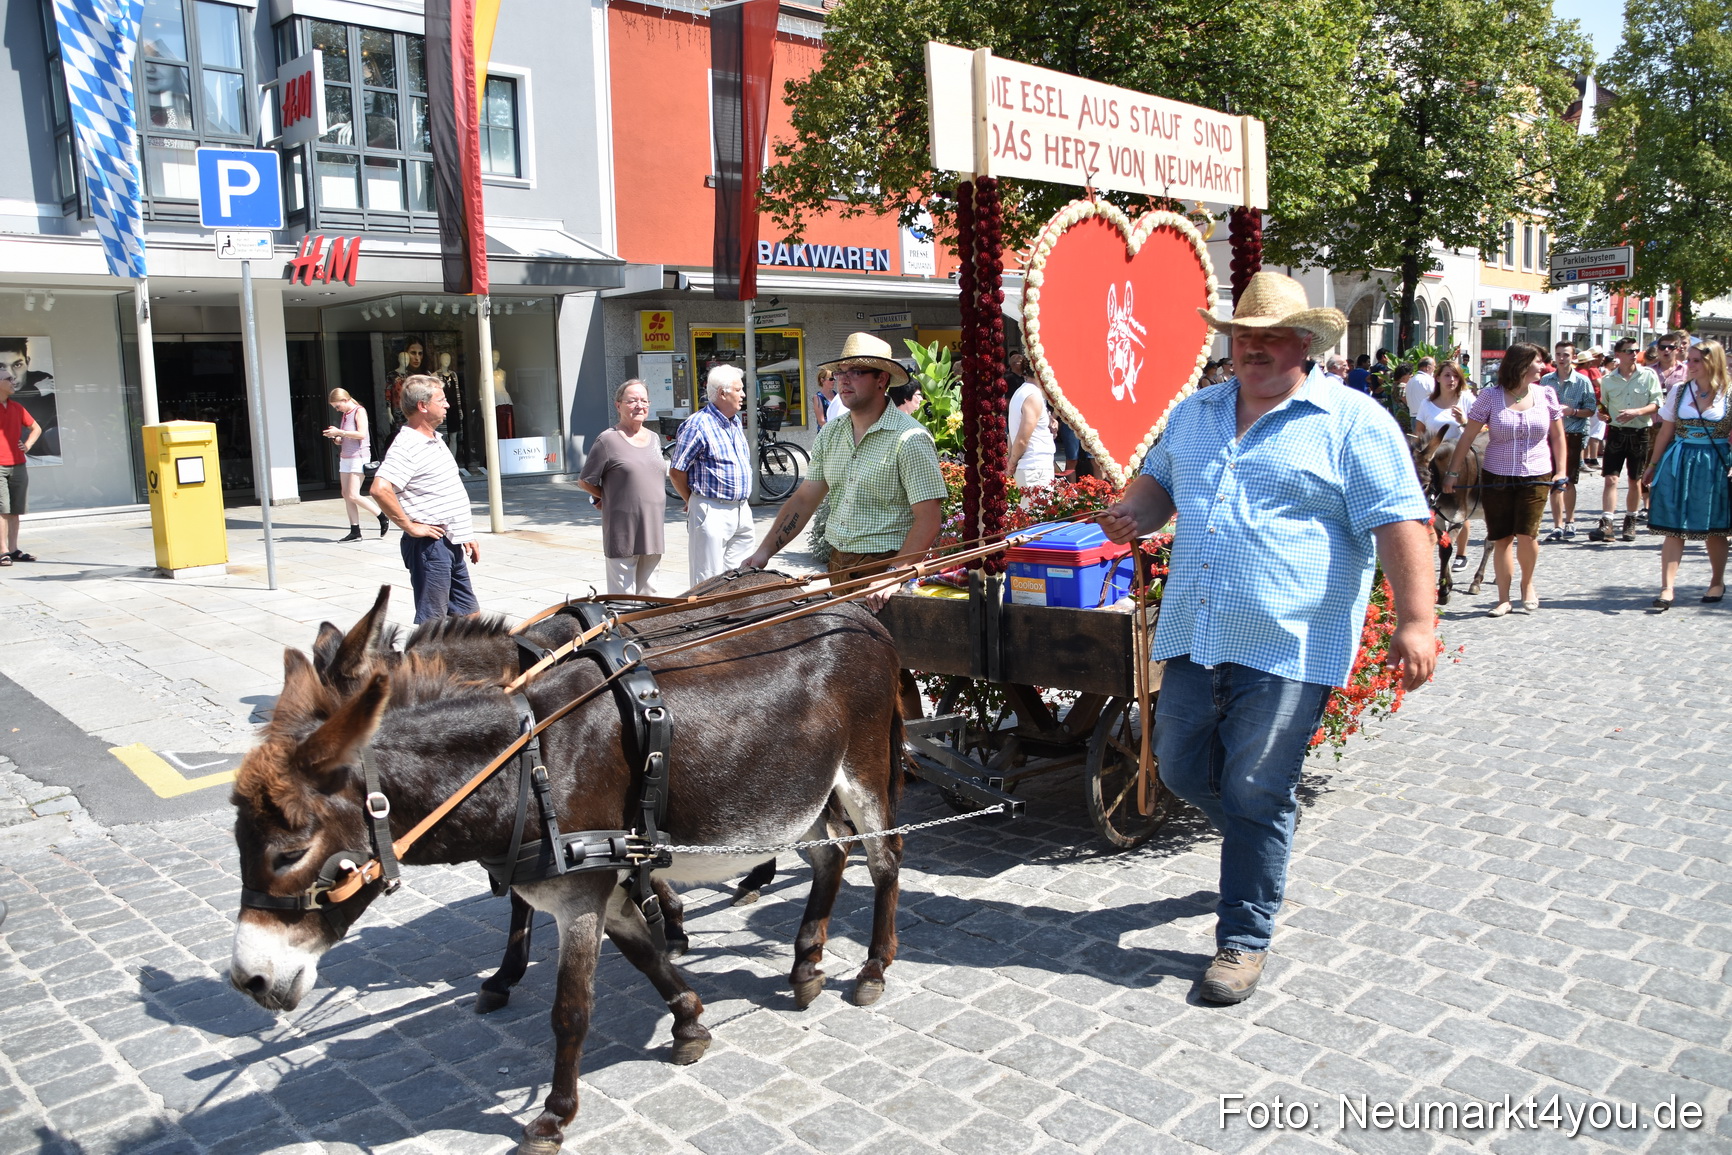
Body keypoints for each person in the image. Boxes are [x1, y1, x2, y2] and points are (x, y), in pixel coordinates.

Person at [1098, 272, 1435, 1005]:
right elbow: (1159, 483)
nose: (1253, 347)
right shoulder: (1197, 412)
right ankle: (1263, 830)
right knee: (1181, 768)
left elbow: (1402, 523)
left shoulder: (1353, 420)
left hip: (1292, 644)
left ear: (1304, 343)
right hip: (1198, 629)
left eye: (1270, 335)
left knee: (1254, 783)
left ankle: (1243, 938)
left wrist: (1417, 622)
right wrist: (1134, 512)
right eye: (1243, 334)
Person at [746, 331, 944, 599]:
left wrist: (895, 573)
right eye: (840, 371)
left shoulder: (910, 438)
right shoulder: (831, 432)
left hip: (885, 566)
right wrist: (763, 553)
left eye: (856, 371)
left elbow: (929, 518)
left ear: (881, 379)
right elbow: (804, 499)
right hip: (837, 564)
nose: (844, 379)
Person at [1443, 343, 1564, 616]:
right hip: (1497, 474)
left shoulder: (1546, 394)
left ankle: (1527, 584)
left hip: (1536, 473)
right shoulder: (1490, 396)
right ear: (1520, 364)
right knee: (1502, 538)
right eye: (1537, 362)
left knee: (1528, 534)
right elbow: (1468, 437)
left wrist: (1561, 470)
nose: (1543, 367)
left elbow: (1557, 436)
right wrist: (1452, 472)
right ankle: (1503, 598)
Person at [371, 376, 479, 623]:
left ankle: (460, 661)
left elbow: (447, 491)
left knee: (470, 615)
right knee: (434, 622)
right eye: (441, 400)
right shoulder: (407, 445)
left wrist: (466, 533)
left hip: (449, 540)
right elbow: (380, 488)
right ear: (422, 405)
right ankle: (428, 661)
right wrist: (409, 526)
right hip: (430, 547)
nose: (448, 405)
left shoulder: (434, 439)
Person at [1642, 339, 1732, 609]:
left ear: (1711, 362)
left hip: (1714, 463)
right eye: (1689, 359)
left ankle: (1716, 581)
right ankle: (1667, 588)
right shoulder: (1680, 391)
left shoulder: (1729, 393)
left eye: (1695, 360)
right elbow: (1666, 431)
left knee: (1714, 527)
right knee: (1674, 525)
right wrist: (1653, 465)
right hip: (1679, 460)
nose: (1689, 365)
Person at [579, 380, 667, 596]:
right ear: (618, 405)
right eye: (632, 401)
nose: (639, 405)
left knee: (650, 596)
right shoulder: (608, 440)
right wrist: (607, 497)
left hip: (652, 529)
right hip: (623, 531)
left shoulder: (654, 438)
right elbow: (585, 481)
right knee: (623, 598)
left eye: (644, 400)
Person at [670, 364, 754, 586]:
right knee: (707, 579)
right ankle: (707, 620)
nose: (743, 394)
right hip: (711, 509)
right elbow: (677, 471)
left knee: (740, 576)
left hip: (741, 509)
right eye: (739, 389)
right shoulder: (698, 424)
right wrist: (693, 501)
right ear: (722, 393)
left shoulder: (734, 421)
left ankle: (736, 618)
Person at [1593, 338, 1664, 543]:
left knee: (1635, 480)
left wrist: (1637, 412)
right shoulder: (1608, 380)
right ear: (1618, 355)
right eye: (1628, 350)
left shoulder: (1647, 375)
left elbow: (1657, 403)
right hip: (1616, 432)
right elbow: (1603, 406)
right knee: (1611, 478)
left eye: (1635, 350)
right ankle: (1607, 521)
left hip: (1640, 432)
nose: (1633, 353)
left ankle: (1630, 519)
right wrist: (1602, 415)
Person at [1539, 341, 1599, 541]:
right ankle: (1557, 525)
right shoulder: (1546, 380)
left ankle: (1570, 521)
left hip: (1573, 434)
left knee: (1569, 480)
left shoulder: (1582, 381)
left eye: (1565, 354)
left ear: (1573, 357)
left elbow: (1591, 409)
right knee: (1553, 481)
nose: (1562, 358)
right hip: (1549, 436)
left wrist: (1572, 411)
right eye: (1558, 354)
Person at [323, 388, 389, 542]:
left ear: (345, 400)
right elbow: (347, 437)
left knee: (353, 494)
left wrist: (341, 432)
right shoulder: (346, 415)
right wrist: (337, 438)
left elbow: (361, 434)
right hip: (345, 457)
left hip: (358, 457)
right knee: (346, 495)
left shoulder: (359, 411)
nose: (337, 410)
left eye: (337, 406)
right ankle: (355, 530)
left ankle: (381, 515)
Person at [0, 369, 41, 566]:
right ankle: (2, 551)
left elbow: (36, 428)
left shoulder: (17, 407)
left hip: (18, 464)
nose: (13, 381)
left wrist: (28, 445)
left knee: (15, 510)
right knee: (2, 510)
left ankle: (14, 549)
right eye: (8, 379)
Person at [1007, 372, 1056, 488]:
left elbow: (1012, 434)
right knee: (1036, 506)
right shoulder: (1032, 396)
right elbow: (1022, 439)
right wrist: (1012, 463)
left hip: (1032, 467)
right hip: (1035, 468)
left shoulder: (1023, 392)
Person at [1415, 361, 1475, 443]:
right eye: (1447, 375)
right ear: (1438, 378)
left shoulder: (1467, 400)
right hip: (1435, 454)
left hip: (1460, 453)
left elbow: (1481, 431)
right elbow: (1419, 435)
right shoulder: (1426, 404)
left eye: (1456, 376)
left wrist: (1463, 422)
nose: (1452, 379)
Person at [1578, 347, 1607, 467]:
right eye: (1600, 356)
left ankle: (1586, 458)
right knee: (1595, 432)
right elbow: (1600, 385)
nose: (1602, 359)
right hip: (1595, 403)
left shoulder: (1579, 371)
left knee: (1588, 432)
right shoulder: (1593, 370)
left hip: (1585, 404)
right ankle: (1592, 459)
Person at [1405, 356, 1436, 423]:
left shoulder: (1410, 381)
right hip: (1425, 418)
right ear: (1428, 367)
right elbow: (1436, 398)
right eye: (1434, 366)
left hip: (1413, 417)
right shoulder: (1429, 380)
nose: (1434, 369)